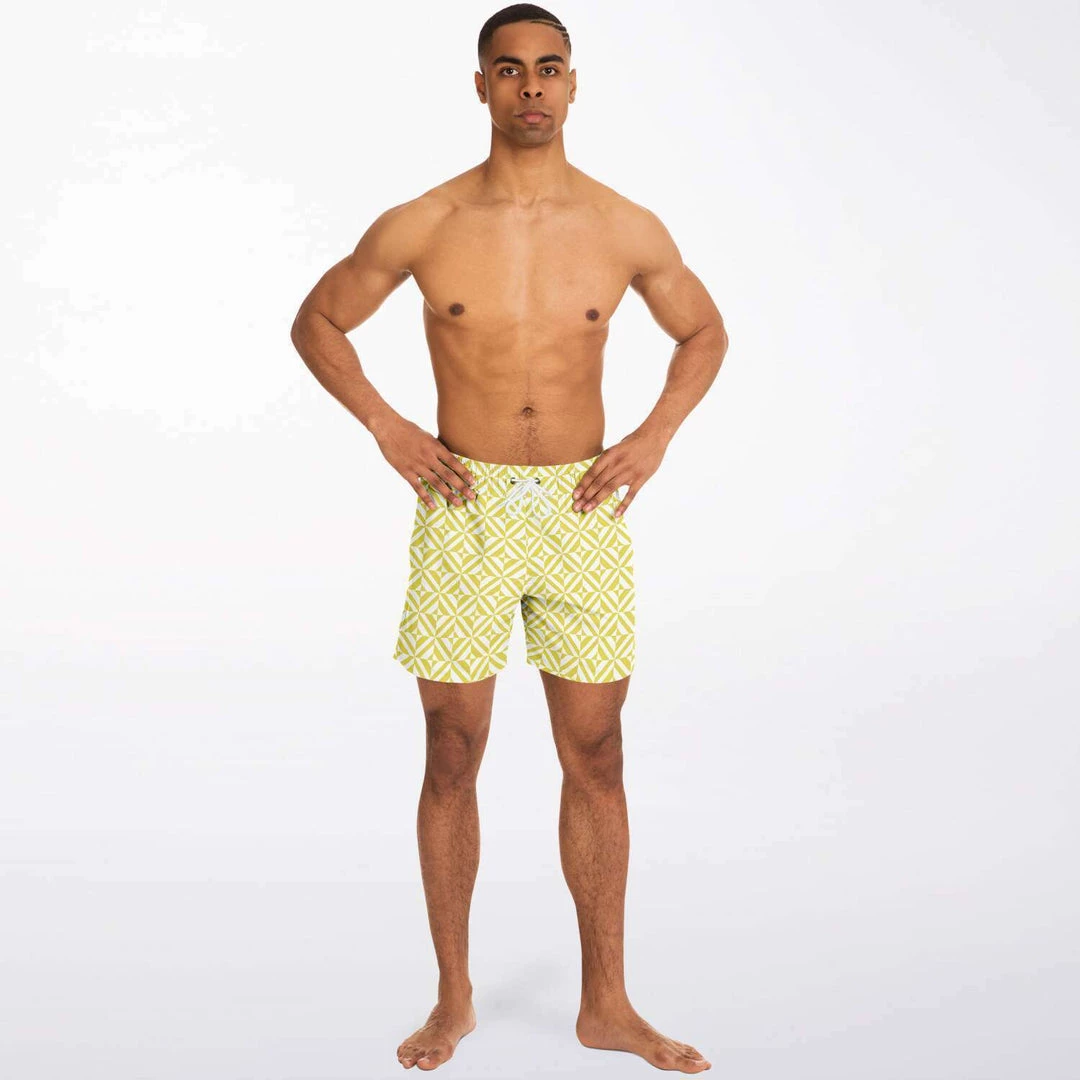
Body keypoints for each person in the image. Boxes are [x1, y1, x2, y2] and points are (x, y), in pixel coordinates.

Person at [290, 4, 728, 1072]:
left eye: (550, 68)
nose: (532, 86)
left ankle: (606, 1005)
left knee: (599, 752)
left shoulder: (625, 225)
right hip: (463, 508)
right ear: (481, 85)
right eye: (510, 68)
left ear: (574, 85)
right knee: (452, 750)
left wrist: (655, 436)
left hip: (585, 509)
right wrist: (388, 427)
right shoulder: (426, 221)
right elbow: (317, 319)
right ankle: (453, 999)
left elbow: (704, 330)